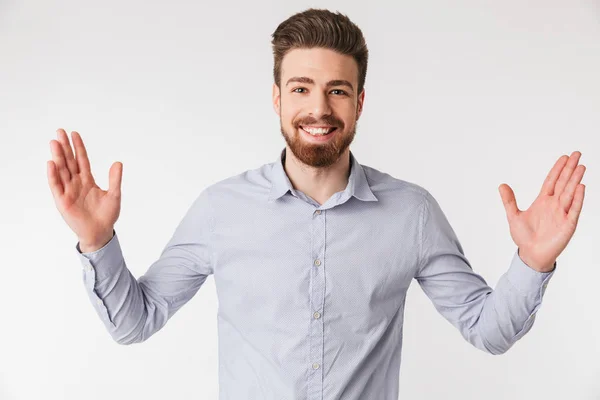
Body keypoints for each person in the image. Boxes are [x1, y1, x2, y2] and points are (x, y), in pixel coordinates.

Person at [47, 8, 587, 400]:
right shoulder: (221, 209)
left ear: (359, 102)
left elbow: (487, 329)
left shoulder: (412, 214)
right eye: (302, 88)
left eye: (337, 90)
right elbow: (135, 322)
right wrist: (96, 242)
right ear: (278, 97)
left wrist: (533, 262)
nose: (319, 108)